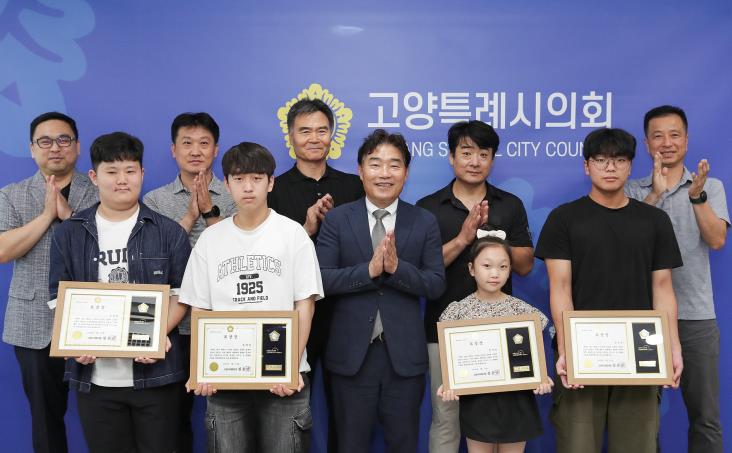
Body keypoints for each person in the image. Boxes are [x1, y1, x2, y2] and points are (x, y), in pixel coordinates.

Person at [535, 127, 684, 453]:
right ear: (587, 166)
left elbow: (663, 289)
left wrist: (672, 347)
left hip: (641, 352)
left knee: (637, 445)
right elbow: (560, 288)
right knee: (577, 445)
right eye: (601, 160)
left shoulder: (654, 221)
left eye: (619, 160)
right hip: (583, 353)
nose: (610, 167)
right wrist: (566, 349)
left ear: (630, 166)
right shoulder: (564, 218)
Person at [49, 132, 191, 453]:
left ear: (142, 173)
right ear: (94, 176)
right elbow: (58, 296)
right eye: (111, 172)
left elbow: (181, 295)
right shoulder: (70, 233)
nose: (122, 180)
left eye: (130, 170)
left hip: (155, 375)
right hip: (95, 377)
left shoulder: (168, 232)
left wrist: (155, 335)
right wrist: (73, 342)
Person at [180, 142, 323, 453]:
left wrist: (290, 366)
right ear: (227, 184)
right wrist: (202, 368)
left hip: (283, 377)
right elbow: (200, 309)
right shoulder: (210, 240)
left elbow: (305, 305)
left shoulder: (293, 234)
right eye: (239, 179)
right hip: (225, 378)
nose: (248, 187)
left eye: (257, 179)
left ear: (270, 183)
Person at [315, 129, 446, 453]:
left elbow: (435, 284)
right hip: (351, 358)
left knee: (403, 444)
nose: (384, 173)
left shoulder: (424, 221)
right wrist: (369, 271)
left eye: (394, 165)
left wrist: (397, 268)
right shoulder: (337, 220)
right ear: (361, 170)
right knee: (350, 444)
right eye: (375, 164)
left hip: (403, 359)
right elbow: (322, 279)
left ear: (406, 172)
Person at [416, 120, 533, 453]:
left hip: (500, 330)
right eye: (466, 153)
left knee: (499, 420)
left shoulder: (509, 205)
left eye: (484, 154)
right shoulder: (428, 208)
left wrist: (495, 241)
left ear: (492, 159)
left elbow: (525, 266)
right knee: (446, 419)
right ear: (451, 157)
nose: (475, 161)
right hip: (444, 330)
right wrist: (463, 238)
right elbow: (421, 272)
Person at [626, 105, 728, 453]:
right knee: (642, 419)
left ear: (686, 139)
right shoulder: (632, 190)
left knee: (706, 417)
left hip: (696, 317)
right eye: (658, 136)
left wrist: (696, 196)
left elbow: (717, 240)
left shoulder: (710, 186)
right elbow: (627, 244)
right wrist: (655, 194)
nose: (666, 143)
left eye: (674, 135)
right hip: (644, 317)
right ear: (646, 143)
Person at [268, 98, 363, 452]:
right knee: (288, 406)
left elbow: (366, 247)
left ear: (332, 135)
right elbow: (267, 256)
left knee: (347, 412)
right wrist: (306, 228)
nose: (314, 138)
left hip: (345, 311)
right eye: (304, 130)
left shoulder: (354, 187)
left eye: (321, 130)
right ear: (290, 136)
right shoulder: (273, 189)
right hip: (293, 312)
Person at [0, 112, 98, 453]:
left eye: (63, 140)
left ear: (77, 146)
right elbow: (3, 250)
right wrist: (46, 216)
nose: (55, 148)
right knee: (44, 419)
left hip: (94, 322)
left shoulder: (99, 190)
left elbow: (107, 249)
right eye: (45, 141)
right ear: (32, 149)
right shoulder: (11, 194)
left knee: (103, 414)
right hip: (33, 323)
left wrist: (69, 216)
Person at [143, 112, 236, 453]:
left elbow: (235, 252)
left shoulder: (235, 193)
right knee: (172, 416)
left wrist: (210, 211)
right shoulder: (155, 200)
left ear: (216, 149)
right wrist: (189, 215)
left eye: (204, 143)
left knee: (227, 414)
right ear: (173, 150)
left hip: (223, 318)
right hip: (173, 322)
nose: (195, 151)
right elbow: (156, 256)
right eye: (187, 143)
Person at [436, 235, 552, 453]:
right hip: (478, 402)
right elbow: (452, 359)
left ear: (509, 270)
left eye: (503, 266)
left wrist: (541, 376)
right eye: (487, 266)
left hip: (517, 402)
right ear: (472, 269)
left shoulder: (523, 311)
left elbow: (533, 353)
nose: (495, 273)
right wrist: (449, 382)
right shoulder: (457, 312)